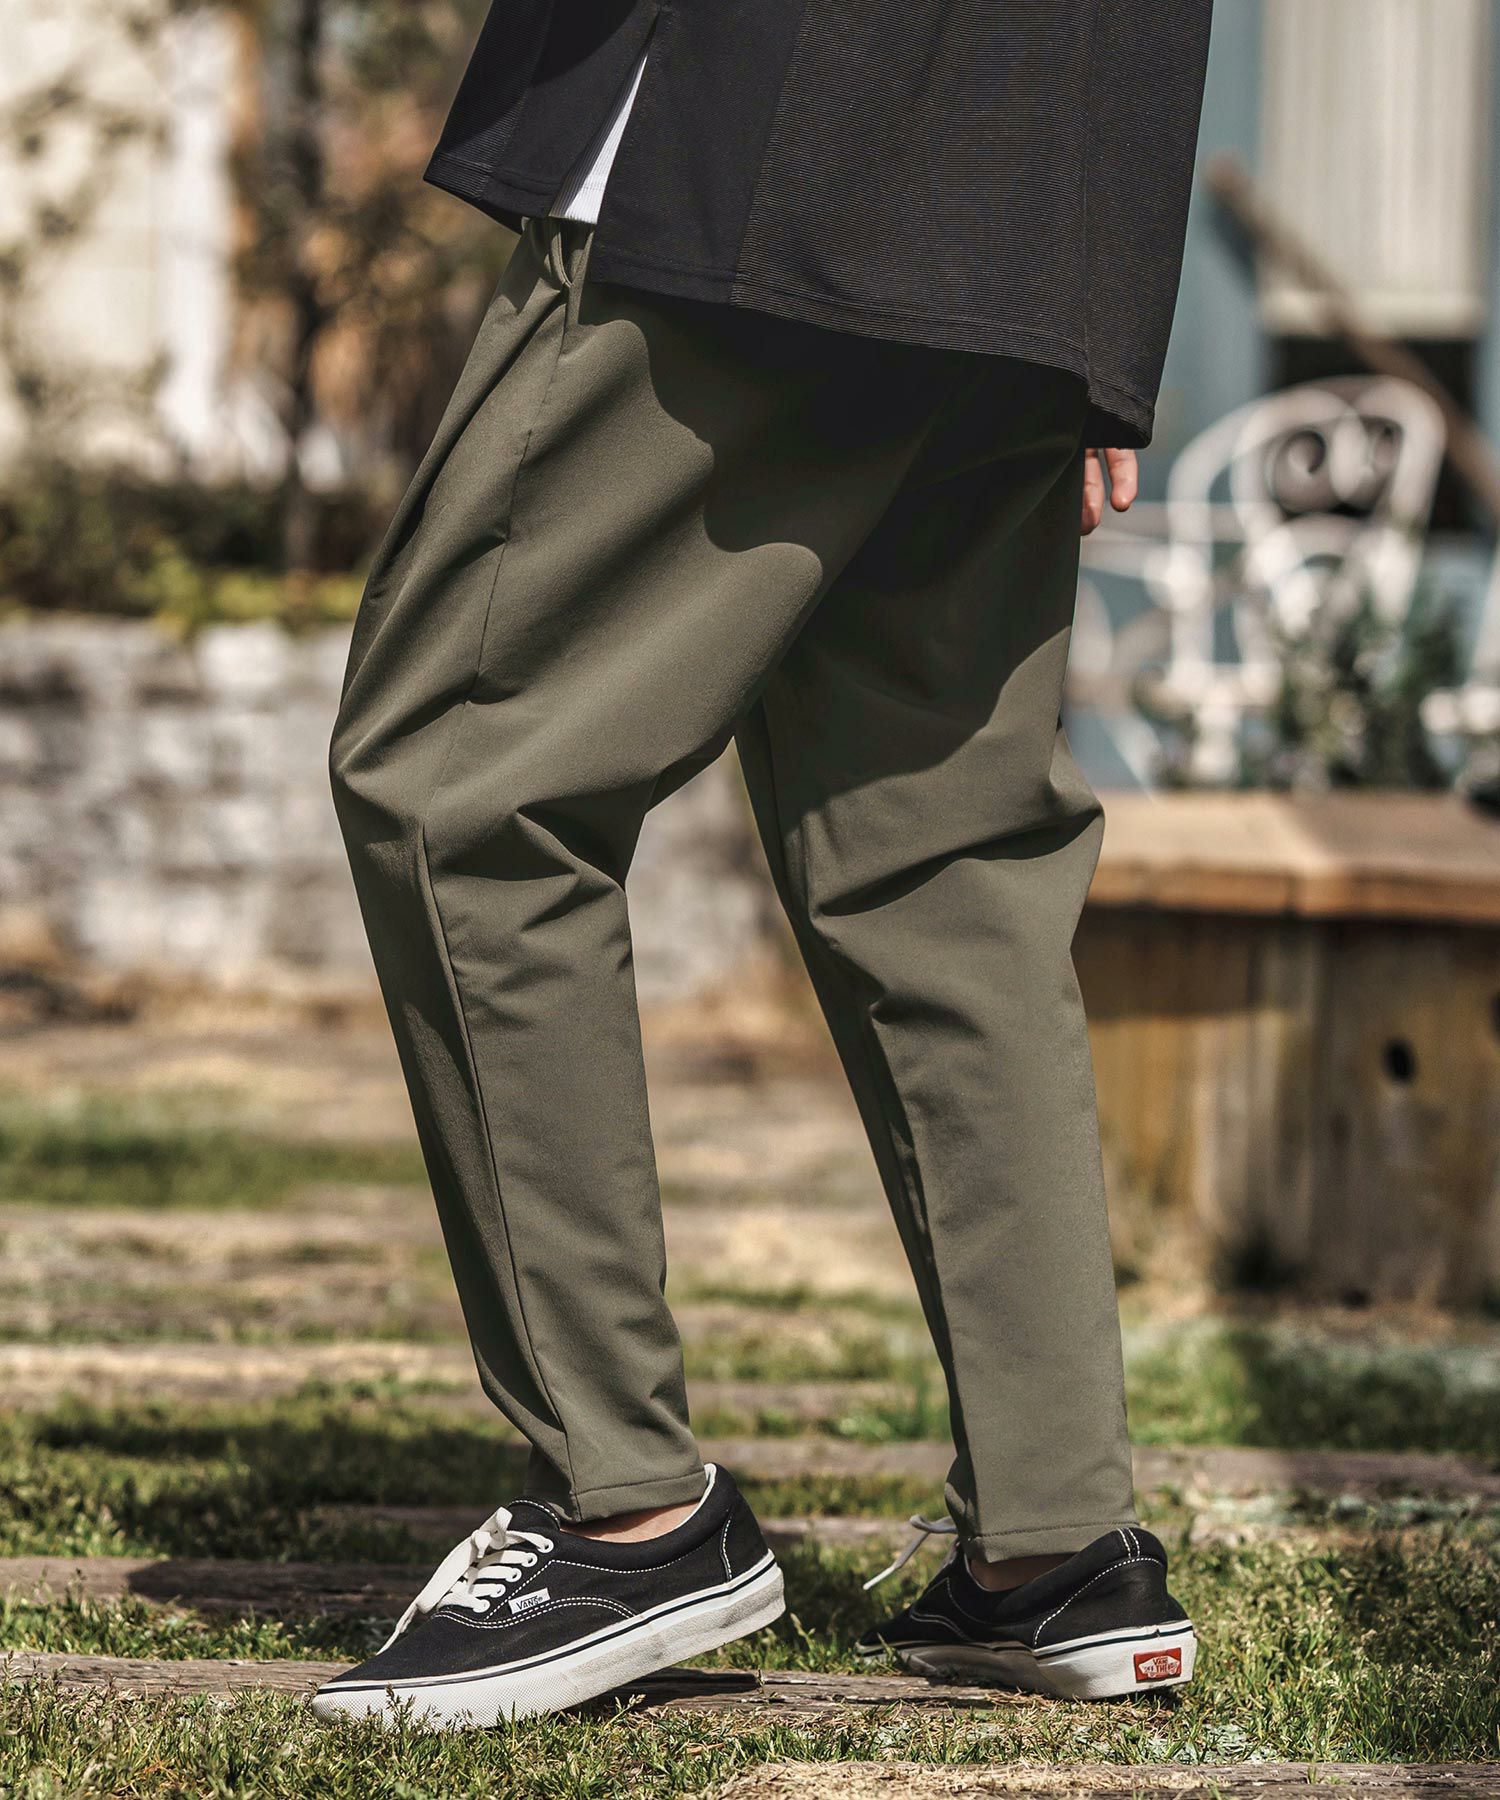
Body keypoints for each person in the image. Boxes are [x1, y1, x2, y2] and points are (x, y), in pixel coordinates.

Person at [315, 0, 1213, 1728]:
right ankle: (1058, 1544)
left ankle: (627, 1519)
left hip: (758, 145)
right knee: (939, 867)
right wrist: (1102, 312)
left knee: (461, 779)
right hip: (1037, 214)